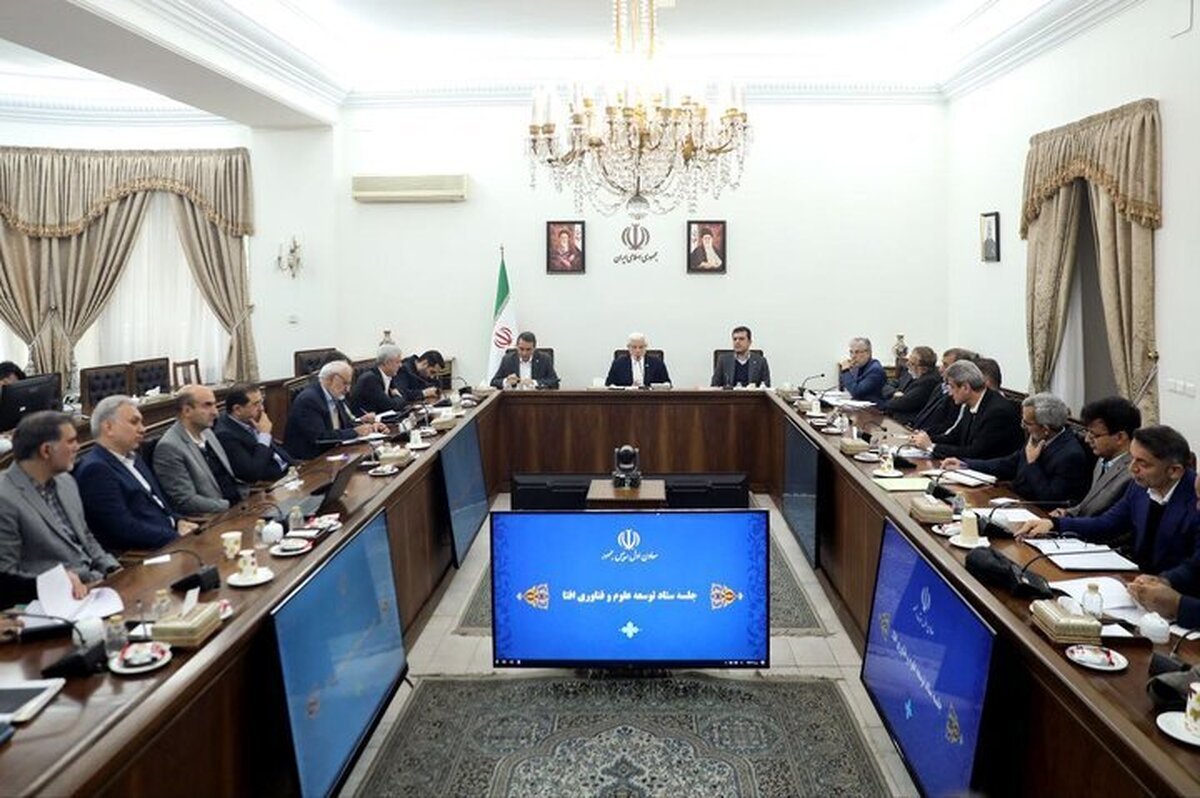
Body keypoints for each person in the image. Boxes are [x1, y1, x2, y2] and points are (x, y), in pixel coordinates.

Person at [1018, 426, 1200, 587]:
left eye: (1142, 463)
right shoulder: (1140, 486)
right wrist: (1054, 524)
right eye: (1132, 459)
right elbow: (1107, 524)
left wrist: (1163, 582)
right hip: (1137, 582)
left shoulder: (1195, 500)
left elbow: (1195, 567)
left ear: (1174, 471)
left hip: (1176, 595)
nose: (1132, 469)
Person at [0, 411, 119, 584]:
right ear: (46, 450)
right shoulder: (4, 497)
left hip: (96, 582)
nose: (78, 447)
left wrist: (111, 568)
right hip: (54, 594)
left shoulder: (66, 481)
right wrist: (59, 582)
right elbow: (6, 574)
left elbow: (85, 536)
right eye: (71, 441)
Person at [75, 396, 196, 552]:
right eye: (134, 422)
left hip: (170, 538)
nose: (142, 429)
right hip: (146, 552)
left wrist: (178, 521)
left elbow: (159, 504)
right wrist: (176, 537)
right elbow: (123, 529)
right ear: (108, 427)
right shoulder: (96, 470)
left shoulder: (135, 458)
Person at [940, 393, 1091, 505]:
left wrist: (1032, 464)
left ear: (1045, 428)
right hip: (1014, 499)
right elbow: (1009, 463)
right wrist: (965, 464)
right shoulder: (1038, 437)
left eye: (1027, 423)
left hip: (1035, 513)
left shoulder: (1070, 455)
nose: (1023, 427)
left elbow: (1050, 498)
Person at [152, 385, 245, 515]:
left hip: (240, 505)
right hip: (217, 516)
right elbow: (186, 501)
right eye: (207, 405)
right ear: (187, 411)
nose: (216, 413)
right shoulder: (169, 447)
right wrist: (230, 507)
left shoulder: (207, 432)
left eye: (214, 405)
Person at [910, 360, 1023, 460]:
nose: (950, 393)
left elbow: (974, 452)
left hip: (992, 474)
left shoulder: (997, 412)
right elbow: (954, 437)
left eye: (952, 387)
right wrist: (923, 438)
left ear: (966, 388)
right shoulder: (971, 404)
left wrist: (931, 447)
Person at [1051, 396, 1140, 518]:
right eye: (1087, 432)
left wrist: (1066, 523)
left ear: (1120, 437)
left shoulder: (1133, 474)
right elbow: (1089, 505)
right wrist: (1068, 513)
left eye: (1094, 435)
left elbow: (1109, 521)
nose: (1087, 439)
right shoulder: (1102, 459)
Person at [284, 361, 386, 461]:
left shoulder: (335, 394)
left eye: (349, 384)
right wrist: (355, 432)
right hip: (312, 460)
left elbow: (347, 425)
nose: (348, 389)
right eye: (345, 383)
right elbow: (320, 438)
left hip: (335, 452)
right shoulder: (309, 400)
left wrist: (370, 427)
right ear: (330, 379)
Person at [214, 383, 294, 484]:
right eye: (256, 404)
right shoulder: (225, 435)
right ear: (237, 409)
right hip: (270, 483)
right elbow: (251, 473)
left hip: (288, 471)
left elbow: (276, 450)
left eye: (261, 402)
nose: (262, 408)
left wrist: (295, 464)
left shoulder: (249, 419)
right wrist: (264, 435)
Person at [909, 347, 977, 433]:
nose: (940, 369)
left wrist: (924, 433)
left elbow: (948, 426)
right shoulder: (940, 386)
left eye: (945, 365)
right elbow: (925, 412)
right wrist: (912, 425)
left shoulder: (960, 396)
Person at [882, 346, 940, 424]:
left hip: (907, 422)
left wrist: (883, 400)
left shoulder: (929, 381)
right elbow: (888, 384)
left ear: (924, 369)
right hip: (893, 416)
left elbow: (902, 404)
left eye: (912, 363)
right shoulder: (910, 372)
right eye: (908, 360)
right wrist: (894, 393)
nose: (907, 364)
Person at [350, 344, 409, 413]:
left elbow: (403, 396)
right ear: (386, 363)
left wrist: (399, 399)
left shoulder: (389, 375)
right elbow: (389, 406)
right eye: (397, 362)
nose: (400, 365)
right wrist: (398, 396)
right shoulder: (370, 379)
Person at [490, 332, 560, 390]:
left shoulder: (544, 359)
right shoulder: (508, 359)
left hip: (537, 398)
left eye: (528, 349)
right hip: (514, 398)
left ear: (534, 348)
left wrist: (534, 383)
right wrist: (506, 381)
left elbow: (554, 382)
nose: (524, 353)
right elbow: (494, 382)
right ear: (516, 346)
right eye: (521, 349)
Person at [838, 337, 885, 403]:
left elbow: (856, 392)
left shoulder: (875, 370)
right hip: (858, 405)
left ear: (868, 353)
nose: (853, 356)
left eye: (857, 352)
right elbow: (844, 387)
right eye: (851, 352)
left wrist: (845, 371)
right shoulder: (858, 366)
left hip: (874, 408)